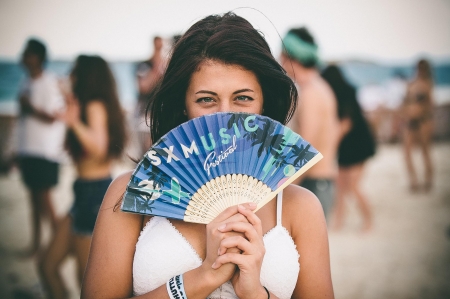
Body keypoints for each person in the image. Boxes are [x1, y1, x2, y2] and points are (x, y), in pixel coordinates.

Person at [81, 13, 334, 299]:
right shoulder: (132, 195)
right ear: (183, 106)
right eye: (206, 99)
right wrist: (202, 278)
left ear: (263, 105)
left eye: (243, 98)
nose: (225, 116)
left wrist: (255, 293)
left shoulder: (301, 208)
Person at [39, 55, 127, 298]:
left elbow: (98, 148)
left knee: (85, 280)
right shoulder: (91, 105)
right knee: (47, 265)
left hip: (93, 194)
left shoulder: (94, 105)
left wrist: (74, 122)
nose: (71, 75)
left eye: (75, 71)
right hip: (84, 193)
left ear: (87, 76)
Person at [280, 27, 340, 220]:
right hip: (321, 180)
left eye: (281, 53)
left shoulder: (311, 93)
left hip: (314, 183)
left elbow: (305, 150)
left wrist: (282, 190)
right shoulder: (320, 87)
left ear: (291, 55)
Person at [16, 38, 66, 255]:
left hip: (45, 150)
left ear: (38, 57)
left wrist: (30, 107)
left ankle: (59, 244)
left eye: (28, 53)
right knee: (33, 199)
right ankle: (36, 244)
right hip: (29, 149)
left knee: (45, 200)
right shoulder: (26, 82)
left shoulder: (48, 82)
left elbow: (56, 116)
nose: (24, 57)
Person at [322, 65, 376, 232]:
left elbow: (345, 125)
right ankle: (338, 220)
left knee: (352, 186)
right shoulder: (346, 91)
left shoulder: (342, 93)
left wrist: (329, 150)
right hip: (348, 146)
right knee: (340, 185)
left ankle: (368, 220)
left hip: (358, 145)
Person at [402, 59, 434, 192]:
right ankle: (413, 180)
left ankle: (428, 180)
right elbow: (405, 102)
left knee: (425, 151)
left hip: (423, 120)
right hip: (411, 121)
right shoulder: (411, 83)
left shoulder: (427, 84)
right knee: (407, 152)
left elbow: (429, 105)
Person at [135, 36, 167, 155]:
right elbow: (143, 87)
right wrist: (156, 70)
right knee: (146, 147)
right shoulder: (145, 65)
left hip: (160, 111)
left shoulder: (165, 65)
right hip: (146, 111)